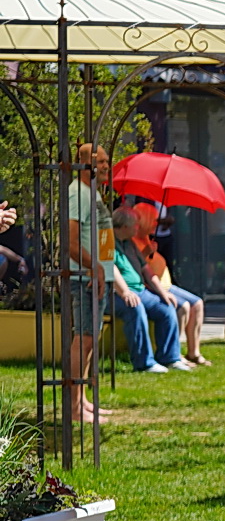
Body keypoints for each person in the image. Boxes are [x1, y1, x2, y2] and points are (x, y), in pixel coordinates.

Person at [66, 146, 115, 424]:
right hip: (85, 279)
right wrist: (93, 268)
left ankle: (82, 401)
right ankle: (74, 408)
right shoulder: (77, 194)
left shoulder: (93, 192)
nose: (106, 166)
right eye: (99, 162)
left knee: (89, 341)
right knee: (82, 340)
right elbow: (71, 243)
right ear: (83, 164)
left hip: (97, 277)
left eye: (107, 161)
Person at [110, 206, 190, 373]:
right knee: (135, 308)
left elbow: (147, 270)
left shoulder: (130, 243)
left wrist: (163, 293)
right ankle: (144, 362)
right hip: (116, 293)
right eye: (135, 225)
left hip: (140, 290)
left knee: (166, 307)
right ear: (124, 227)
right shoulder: (108, 242)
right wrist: (125, 292)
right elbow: (109, 268)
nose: (137, 228)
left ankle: (170, 357)